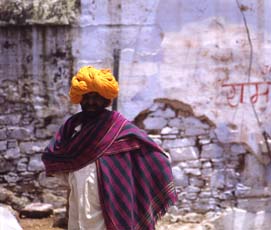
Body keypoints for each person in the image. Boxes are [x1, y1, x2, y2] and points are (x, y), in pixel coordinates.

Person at [42, 66, 177, 230]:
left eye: (96, 97)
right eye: (86, 97)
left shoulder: (119, 128)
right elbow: (57, 159)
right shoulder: (72, 128)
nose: (91, 102)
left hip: (111, 207)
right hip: (78, 206)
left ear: (106, 99)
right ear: (80, 98)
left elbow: (156, 157)